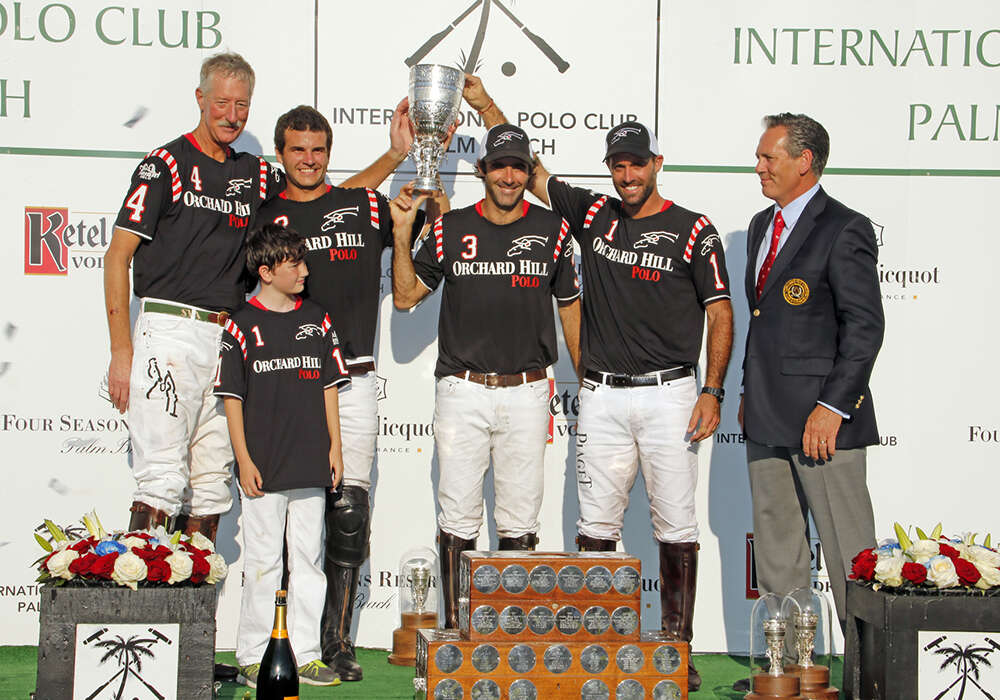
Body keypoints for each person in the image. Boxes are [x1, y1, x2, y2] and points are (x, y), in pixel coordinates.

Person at [463, 78, 733, 692]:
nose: (627, 173)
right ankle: (597, 646)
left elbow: (720, 312)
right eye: (618, 164)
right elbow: (529, 170)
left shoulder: (695, 229)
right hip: (603, 395)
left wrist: (713, 390)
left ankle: (676, 648)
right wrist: (485, 107)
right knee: (596, 527)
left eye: (637, 162)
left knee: (676, 526)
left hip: (671, 395)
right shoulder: (592, 213)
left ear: (656, 164)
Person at [255, 103, 437, 681]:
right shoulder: (268, 215)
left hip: (354, 378)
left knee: (348, 510)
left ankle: (335, 640)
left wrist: (417, 160)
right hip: (284, 377)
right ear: (280, 155)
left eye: (318, 150)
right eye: (296, 150)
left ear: (330, 154)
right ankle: (277, 635)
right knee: (281, 516)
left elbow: (431, 223)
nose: (308, 160)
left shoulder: (361, 204)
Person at [391, 124, 582, 629]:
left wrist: (587, 381)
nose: (509, 175)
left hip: (527, 389)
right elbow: (407, 296)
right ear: (482, 171)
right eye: (499, 165)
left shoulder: (554, 229)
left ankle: (509, 630)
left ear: (528, 171)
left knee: (519, 520)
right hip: (462, 388)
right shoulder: (451, 227)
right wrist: (400, 232)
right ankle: (457, 630)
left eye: (519, 166)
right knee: (457, 517)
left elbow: (571, 311)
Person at [104, 52, 282, 542]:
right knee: (161, 478)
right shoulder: (164, 164)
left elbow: (318, 199)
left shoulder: (256, 174)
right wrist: (122, 352)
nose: (231, 115)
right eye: (222, 102)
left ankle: (195, 612)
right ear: (200, 98)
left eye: (241, 105)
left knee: (210, 484)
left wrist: (394, 160)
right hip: (169, 331)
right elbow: (117, 256)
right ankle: (144, 607)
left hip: (227, 339)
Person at [741, 113, 882, 629]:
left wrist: (833, 407)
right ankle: (794, 668)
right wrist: (747, 391)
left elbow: (864, 329)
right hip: (765, 418)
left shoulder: (845, 227)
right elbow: (765, 322)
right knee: (777, 554)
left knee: (851, 557)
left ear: (804, 162)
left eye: (767, 157)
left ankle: (871, 676)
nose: (757, 167)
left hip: (825, 426)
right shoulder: (761, 225)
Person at [215, 224, 349, 689]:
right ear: (266, 271)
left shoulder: (317, 318)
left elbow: (330, 387)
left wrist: (335, 445)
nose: (306, 271)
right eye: (296, 263)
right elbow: (232, 398)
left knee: (309, 559)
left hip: (311, 460)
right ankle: (253, 654)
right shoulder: (238, 323)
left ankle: (307, 653)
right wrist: (244, 459)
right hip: (264, 465)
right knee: (264, 562)